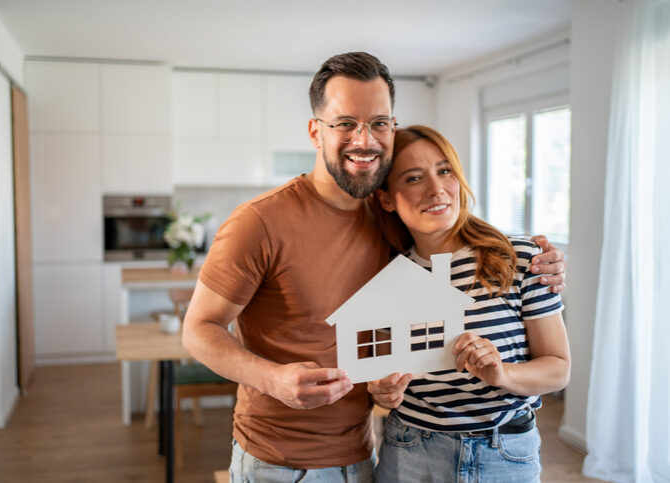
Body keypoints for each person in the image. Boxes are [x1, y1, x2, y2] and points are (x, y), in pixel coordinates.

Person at [181, 52, 566, 482]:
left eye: (379, 123)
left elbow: (449, 232)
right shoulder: (259, 221)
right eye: (345, 123)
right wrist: (273, 379)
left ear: (392, 127)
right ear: (315, 131)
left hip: (367, 453)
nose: (364, 139)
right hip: (279, 461)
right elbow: (198, 330)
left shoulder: (392, 224)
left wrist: (535, 257)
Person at [368, 125, 571, 482]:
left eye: (444, 171)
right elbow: (382, 384)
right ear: (387, 198)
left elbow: (558, 369)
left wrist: (502, 373)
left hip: (504, 455)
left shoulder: (521, 257)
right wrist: (382, 391)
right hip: (411, 453)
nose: (437, 189)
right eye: (414, 178)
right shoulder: (386, 277)